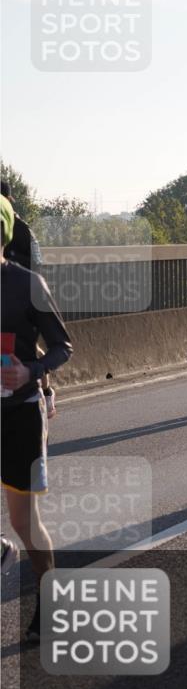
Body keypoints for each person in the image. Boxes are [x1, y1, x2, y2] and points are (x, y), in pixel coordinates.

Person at [1, 196, 73, 640]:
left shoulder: (27, 284)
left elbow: (63, 345)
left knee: (25, 523)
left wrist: (33, 370)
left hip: (18, 413)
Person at [1, 181, 54, 418]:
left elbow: (37, 264)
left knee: (31, 350)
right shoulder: (25, 228)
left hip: (20, 297)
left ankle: (45, 394)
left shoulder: (20, 228)